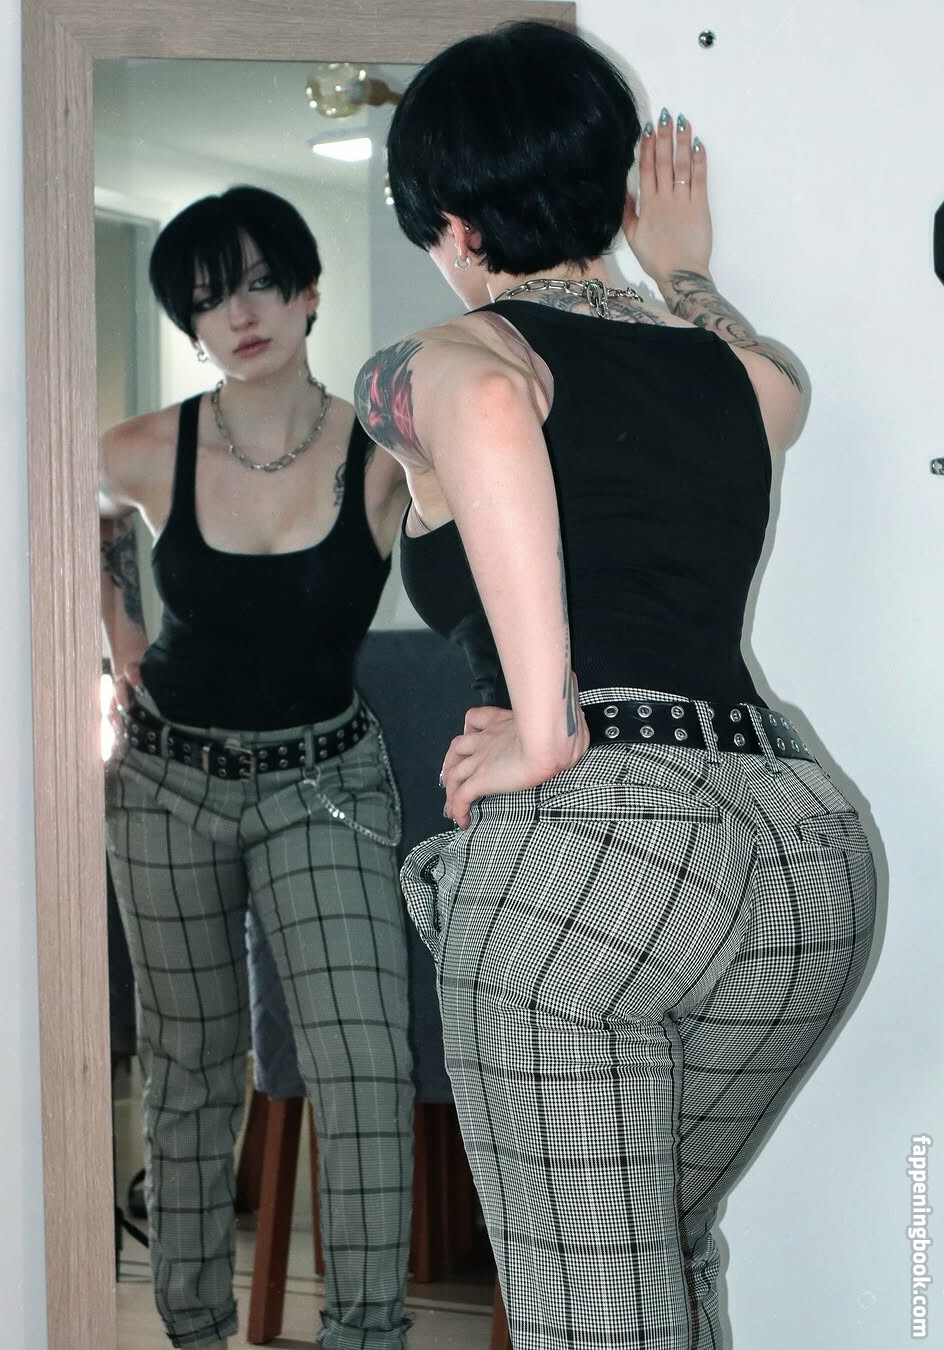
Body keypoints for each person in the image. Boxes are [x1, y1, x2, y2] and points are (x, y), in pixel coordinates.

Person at [354, 22, 877, 1350]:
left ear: (451, 225)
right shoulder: (730, 371)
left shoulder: (441, 357)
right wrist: (684, 270)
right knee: (658, 1256)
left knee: (595, 1315)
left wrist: (544, 725)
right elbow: (781, 385)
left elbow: (484, 409)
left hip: (598, 872)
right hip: (802, 858)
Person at [99, 185, 414, 1350]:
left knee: (364, 1065)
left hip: (326, 779)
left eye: (259, 284)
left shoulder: (383, 453)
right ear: (189, 323)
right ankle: (192, 1330)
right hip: (165, 783)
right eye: (207, 299)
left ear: (308, 292)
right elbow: (74, 503)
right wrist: (120, 637)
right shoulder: (149, 447)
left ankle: (367, 1334)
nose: (238, 315)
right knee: (190, 1067)